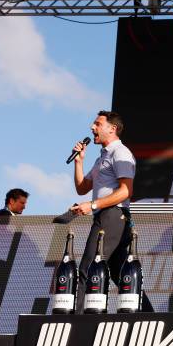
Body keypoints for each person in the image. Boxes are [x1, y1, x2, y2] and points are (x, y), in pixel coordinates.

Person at [70, 111, 153, 313]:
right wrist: (79, 161)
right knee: (119, 272)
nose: (92, 127)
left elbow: (126, 191)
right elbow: (82, 187)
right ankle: (149, 315)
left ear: (112, 128)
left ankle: (73, 323)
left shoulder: (120, 152)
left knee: (88, 268)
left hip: (112, 215)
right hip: (108, 216)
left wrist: (93, 205)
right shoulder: (102, 157)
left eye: (98, 124)